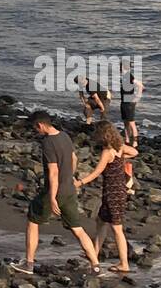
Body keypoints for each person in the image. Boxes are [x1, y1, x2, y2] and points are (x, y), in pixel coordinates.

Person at [9, 110, 102, 276]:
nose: (35, 131)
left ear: (40, 125)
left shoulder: (48, 143)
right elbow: (74, 159)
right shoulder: (65, 136)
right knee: (77, 228)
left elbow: (52, 172)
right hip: (69, 189)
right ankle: (96, 266)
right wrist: (71, 177)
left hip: (55, 190)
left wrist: (52, 197)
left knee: (33, 220)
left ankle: (29, 263)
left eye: (35, 128)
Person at [75, 121, 139, 273]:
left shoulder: (107, 152)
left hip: (112, 193)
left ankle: (124, 263)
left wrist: (80, 182)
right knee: (101, 221)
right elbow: (135, 153)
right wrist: (124, 155)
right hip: (119, 191)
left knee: (117, 229)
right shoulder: (120, 148)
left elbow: (97, 172)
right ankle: (94, 254)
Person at [119, 64, 144, 145]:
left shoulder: (128, 76)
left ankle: (135, 142)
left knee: (131, 122)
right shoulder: (124, 77)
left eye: (120, 67)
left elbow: (140, 85)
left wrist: (137, 98)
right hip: (123, 101)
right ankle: (127, 139)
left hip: (129, 102)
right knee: (125, 122)